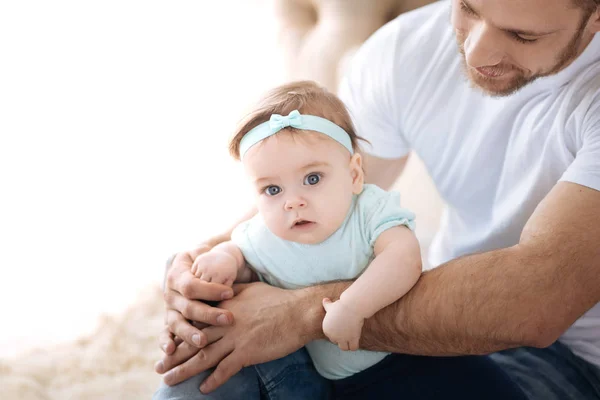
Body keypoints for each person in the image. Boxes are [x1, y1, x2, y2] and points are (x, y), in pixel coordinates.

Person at [156, 0, 600, 399]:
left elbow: (535, 304)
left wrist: (304, 313)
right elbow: (314, 191)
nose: (477, 52)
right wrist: (201, 270)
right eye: (468, 8)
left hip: (566, 362)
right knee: (212, 355)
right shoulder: (405, 49)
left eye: (523, 35)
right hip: (412, 314)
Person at [153, 81, 528, 399]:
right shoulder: (264, 232)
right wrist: (223, 258)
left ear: (353, 175)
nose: (293, 201)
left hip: (414, 355)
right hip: (344, 383)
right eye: (272, 189)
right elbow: (242, 247)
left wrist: (353, 307)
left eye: (313, 179)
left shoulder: (368, 210)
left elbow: (403, 258)